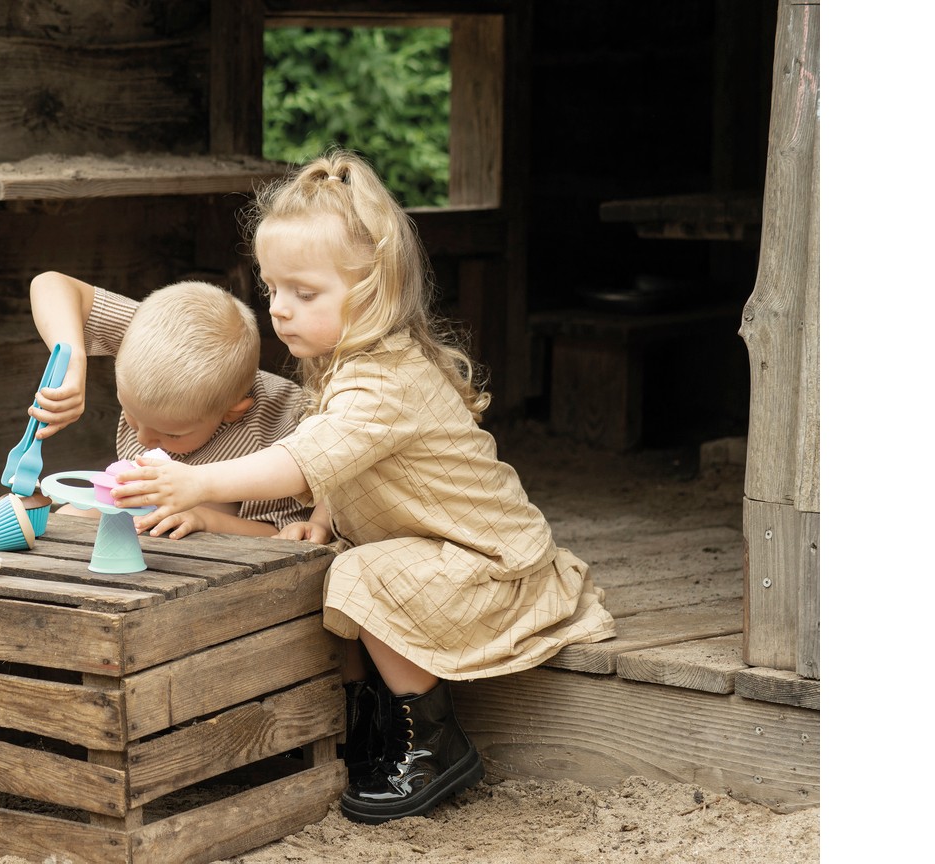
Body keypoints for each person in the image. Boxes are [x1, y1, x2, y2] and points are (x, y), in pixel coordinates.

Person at [105, 150, 618, 824]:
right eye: (272, 290)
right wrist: (323, 509)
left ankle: (433, 743)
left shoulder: (384, 380)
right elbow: (345, 461)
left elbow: (303, 456)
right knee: (337, 564)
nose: (280, 312)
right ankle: (369, 729)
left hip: (492, 567)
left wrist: (193, 481)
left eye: (305, 293)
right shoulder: (350, 365)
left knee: (360, 577)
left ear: (373, 290)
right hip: (439, 556)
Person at [27, 271, 312, 538]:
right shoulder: (151, 338)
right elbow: (50, 283)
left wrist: (204, 519)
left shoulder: (277, 426)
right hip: (146, 516)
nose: (143, 439)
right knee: (70, 516)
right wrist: (73, 358)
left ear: (232, 412)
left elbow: (284, 535)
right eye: (131, 416)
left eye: (172, 434)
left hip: (218, 547)